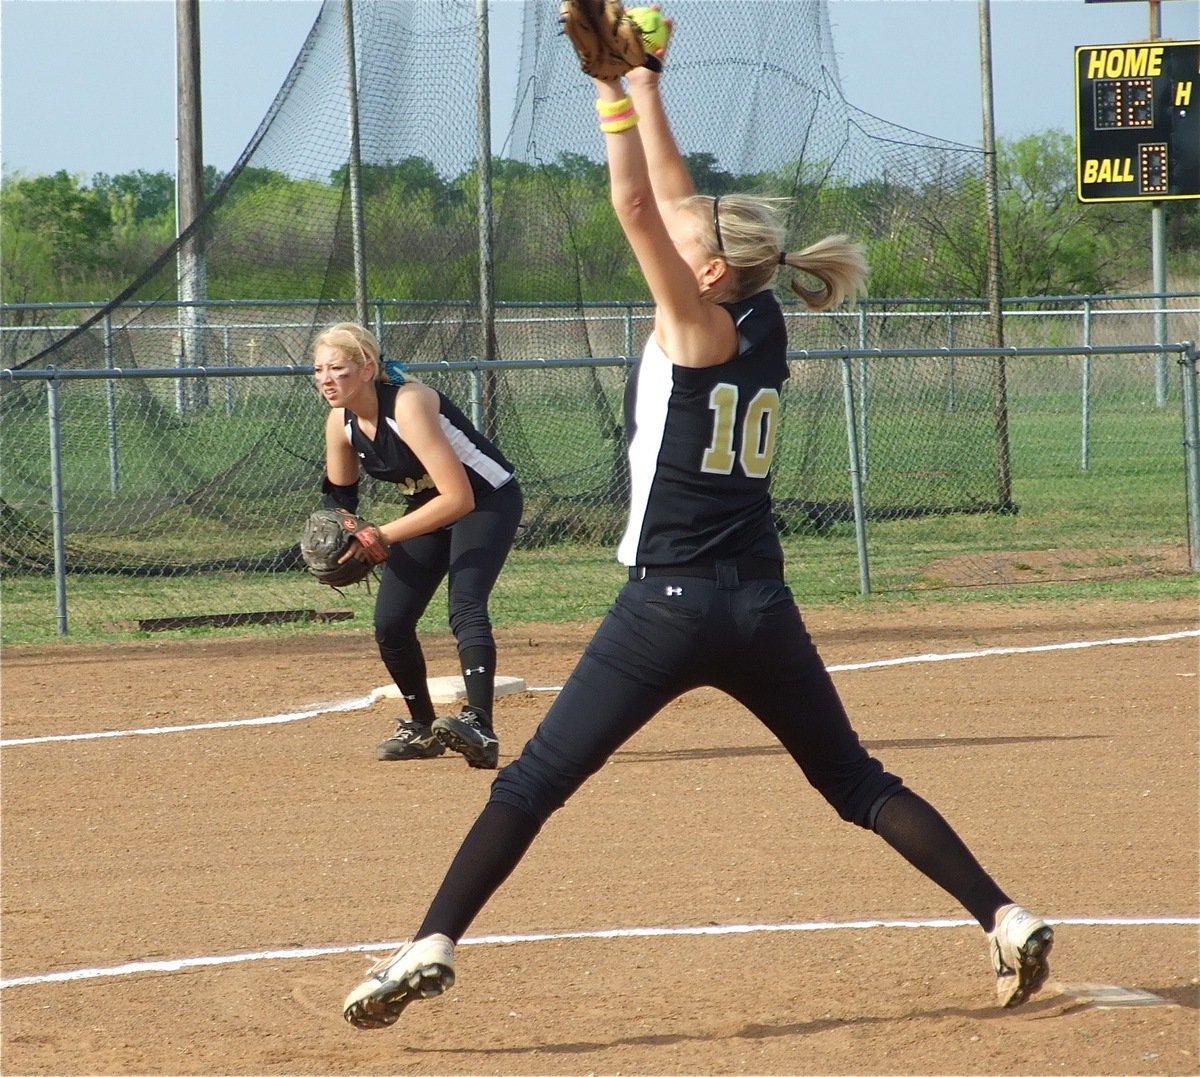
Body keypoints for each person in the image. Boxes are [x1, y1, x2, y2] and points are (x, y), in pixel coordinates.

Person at [342, 14, 1052, 1028]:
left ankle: (429, 941)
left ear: (711, 270)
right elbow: (673, 198)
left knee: (531, 785)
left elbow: (636, 200)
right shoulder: (759, 315)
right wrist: (647, 79)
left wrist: (606, 99)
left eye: (693, 242)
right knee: (855, 781)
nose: (680, 235)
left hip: (663, 609)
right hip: (759, 602)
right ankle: (1005, 914)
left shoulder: (694, 326)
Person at [311, 321, 522, 769]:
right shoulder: (340, 422)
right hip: (428, 508)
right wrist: (341, 534)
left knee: (465, 605)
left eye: (338, 369)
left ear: (367, 368)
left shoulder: (408, 404)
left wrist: (381, 536)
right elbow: (340, 500)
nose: (326, 379)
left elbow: (459, 497)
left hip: (486, 501)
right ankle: (423, 726)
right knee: (390, 623)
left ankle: (480, 726)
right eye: (319, 370)